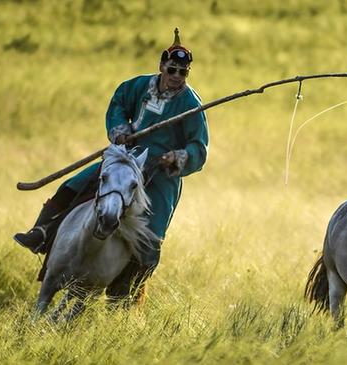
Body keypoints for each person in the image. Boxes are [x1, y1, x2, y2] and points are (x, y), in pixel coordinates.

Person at [13, 28, 209, 303]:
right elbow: (118, 105)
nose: (176, 77)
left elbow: (199, 148)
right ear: (162, 66)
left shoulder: (191, 104)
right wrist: (119, 131)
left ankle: (124, 289)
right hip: (125, 158)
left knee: (151, 237)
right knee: (73, 186)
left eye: (182, 73)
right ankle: (41, 232)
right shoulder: (138, 86)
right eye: (172, 69)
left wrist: (176, 157)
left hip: (160, 173)